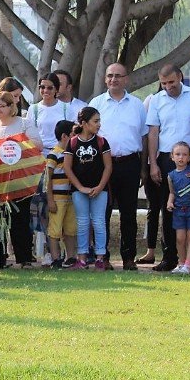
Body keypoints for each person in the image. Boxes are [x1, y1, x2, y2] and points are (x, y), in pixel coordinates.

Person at [88, 63, 147, 271]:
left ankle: (128, 257)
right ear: (105, 79)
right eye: (110, 76)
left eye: (118, 76)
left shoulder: (137, 105)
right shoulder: (96, 104)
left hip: (129, 163)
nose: (114, 79)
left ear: (126, 79)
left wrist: (143, 168)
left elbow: (144, 137)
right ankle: (102, 256)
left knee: (128, 213)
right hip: (103, 164)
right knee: (102, 212)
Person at [143, 64, 190, 271]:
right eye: (164, 83)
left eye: (172, 82)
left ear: (180, 78)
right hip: (168, 158)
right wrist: (153, 163)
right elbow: (153, 133)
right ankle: (170, 257)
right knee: (169, 208)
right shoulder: (157, 100)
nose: (168, 87)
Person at [0, 90, 42, 268]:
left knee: (19, 220)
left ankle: (23, 258)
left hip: (20, 181)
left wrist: (14, 144)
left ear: (12, 106)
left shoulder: (24, 123)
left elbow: (38, 144)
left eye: (1, 106)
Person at [63, 107, 113, 271]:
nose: (99, 124)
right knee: (83, 222)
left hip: (100, 190)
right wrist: (80, 187)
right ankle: (82, 257)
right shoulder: (73, 142)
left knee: (99, 222)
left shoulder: (101, 142)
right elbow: (68, 168)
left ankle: (100, 257)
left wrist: (100, 187)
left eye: (99, 121)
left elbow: (108, 167)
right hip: (80, 191)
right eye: (95, 121)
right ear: (84, 123)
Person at [166, 142, 190, 274]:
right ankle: (181, 263)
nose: (181, 157)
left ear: (189, 157)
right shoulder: (171, 175)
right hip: (179, 210)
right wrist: (169, 203)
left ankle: (188, 265)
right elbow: (172, 192)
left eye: (184, 154)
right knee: (180, 238)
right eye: (177, 154)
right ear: (172, 156)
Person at [45, 120, 77, 268]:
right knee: (55, 229)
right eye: (73, 134)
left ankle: (71, 257)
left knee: (70, 229)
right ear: (65, 136)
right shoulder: (54, 154)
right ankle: (56, 258)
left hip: (71, 197)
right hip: (57, 198)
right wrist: (50, 200)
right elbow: (48, 178)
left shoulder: (73, 153)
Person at [31, 73, 80, 155]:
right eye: (42, 87)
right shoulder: (33, 109)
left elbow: (74, 132)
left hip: (62, 153)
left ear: (56, 89)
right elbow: (30, 134)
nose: (45, 91)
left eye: (50, 88)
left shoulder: (66, 108)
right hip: (40, 154)